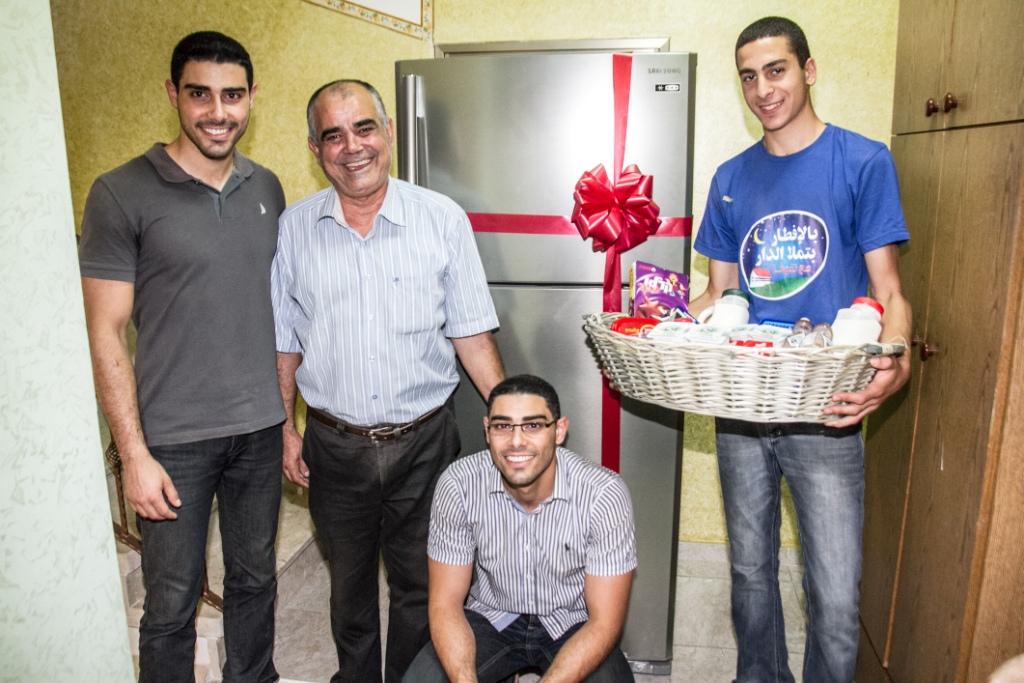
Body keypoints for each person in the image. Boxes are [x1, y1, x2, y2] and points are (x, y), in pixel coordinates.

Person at [688, 16, 912, 683]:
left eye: (776, 70)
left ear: (808, 70)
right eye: (748, 77)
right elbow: (717, 296)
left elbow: (889, 291)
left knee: (835, 597)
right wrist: (648, 318)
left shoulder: (863, 162)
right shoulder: (730, 177)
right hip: (744, 408)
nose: (762, 89)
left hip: (828, 408)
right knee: (750, 576)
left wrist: (897, 363)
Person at [272, 79, 506, 683]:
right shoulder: (294, 230)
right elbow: (285, 343)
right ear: (315, 149)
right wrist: (285, 429)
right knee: (348, 590)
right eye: (333, 135)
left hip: (425, 444)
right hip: (334, 447)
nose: (352, 147)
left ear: (390, 133)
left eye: (364, 128)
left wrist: (510, 418)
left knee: (421, 586)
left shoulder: (442, 219)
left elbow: (472, 333)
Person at [79, 31, 285, 683]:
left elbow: (280, 313)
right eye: (200, 94)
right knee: (170, 603)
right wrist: (133, 454)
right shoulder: (121, 193)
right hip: (173, 440)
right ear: (173, 94)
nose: (217, 112)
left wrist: (289, 421)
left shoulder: (267, 187)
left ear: (252, 97)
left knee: (255, 579)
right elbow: (105, 331)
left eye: (232, 96)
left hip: (260, 429)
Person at [402, 374, 637, 683]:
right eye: (503, 426)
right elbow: (445, 604)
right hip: (491, 617)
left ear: (559, 431)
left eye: (533, 425)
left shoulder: (603, 494)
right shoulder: (459, 484)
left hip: (572, 622)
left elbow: (604, 623)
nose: (516, 441)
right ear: (487, 431)